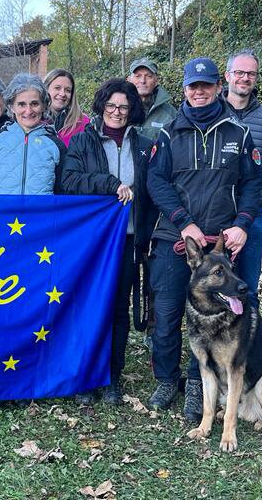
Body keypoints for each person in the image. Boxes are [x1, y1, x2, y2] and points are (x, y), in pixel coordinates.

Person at [145, 57, 262, 424]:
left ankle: (198, 383)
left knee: (221, 312)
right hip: (176, 235)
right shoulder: (169, 133)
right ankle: (166, 380)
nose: (199, 92)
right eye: (192, 86)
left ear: (219, 87)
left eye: (206, 85)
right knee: (169, 311)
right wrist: (183, 222)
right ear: (184, 89)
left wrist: (244, 223)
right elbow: (157, 182)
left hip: (222, 239)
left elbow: (253, 182)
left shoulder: (238, 131)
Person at [61, 79, 154, 405]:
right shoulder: (83, 142)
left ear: (132, 111)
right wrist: (109, 183)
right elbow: (69, 182)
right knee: (88, 307)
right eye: (111, 106)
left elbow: (152, 191)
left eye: (124, 107)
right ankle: (86, 378)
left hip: (128, 238)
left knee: (118, 309)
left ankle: (111, 378)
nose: (117, 112)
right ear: (101, 106)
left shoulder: (143, 146)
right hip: (92, 242)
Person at [223, 48, 262, 298]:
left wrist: (260, 202)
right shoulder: (211, 112)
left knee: (248, 285)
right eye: (239, 72)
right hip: (218, 212)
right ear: (227, 75)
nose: (245, 78)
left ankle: (250, 335)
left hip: (253, 214)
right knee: (218, 283)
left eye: (251, 73)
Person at [0, 73, 67, 195]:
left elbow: (63, 192)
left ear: (44, 106)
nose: (28, 111)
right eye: (21, 104)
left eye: (34, 104)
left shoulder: (56, 145)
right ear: (11, 106)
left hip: (40, 214)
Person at [127, 57, 177, 141]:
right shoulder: (119, 110)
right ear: (129, 80)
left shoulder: (170, 113)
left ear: (156, 81)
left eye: (148, 76)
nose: (143, 81)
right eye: (138, 76)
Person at [44, 68, 89, 146]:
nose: (62, 94)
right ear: (45, 89)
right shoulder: (33, 121)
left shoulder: (84, 124)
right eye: (57, 88)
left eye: (68, 90)